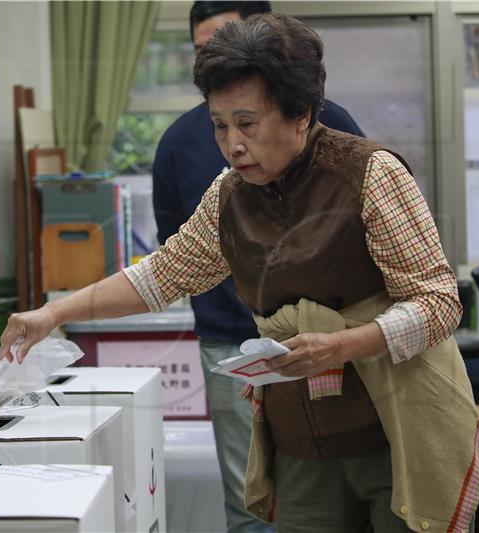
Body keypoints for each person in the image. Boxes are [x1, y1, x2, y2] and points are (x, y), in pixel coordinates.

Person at [0, 13, 479, 533]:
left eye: (247, 124)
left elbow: (438, 302)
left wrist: (346, 344)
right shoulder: (229, 195)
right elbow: (163, 274)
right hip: (303, 438)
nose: (232, 143)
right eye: (219, 125)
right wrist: (53, 312)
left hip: (397, 428)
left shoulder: (370, 174)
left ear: (300, 114)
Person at [151, 3, 364, 531]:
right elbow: (173, 260)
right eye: (204, 51)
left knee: (343, 492)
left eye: (245, 125)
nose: (234, 143)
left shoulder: (337, 134)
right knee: (252, 505)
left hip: (331, 344)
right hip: (232, 344)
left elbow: (379, 254)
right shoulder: (181, 145)